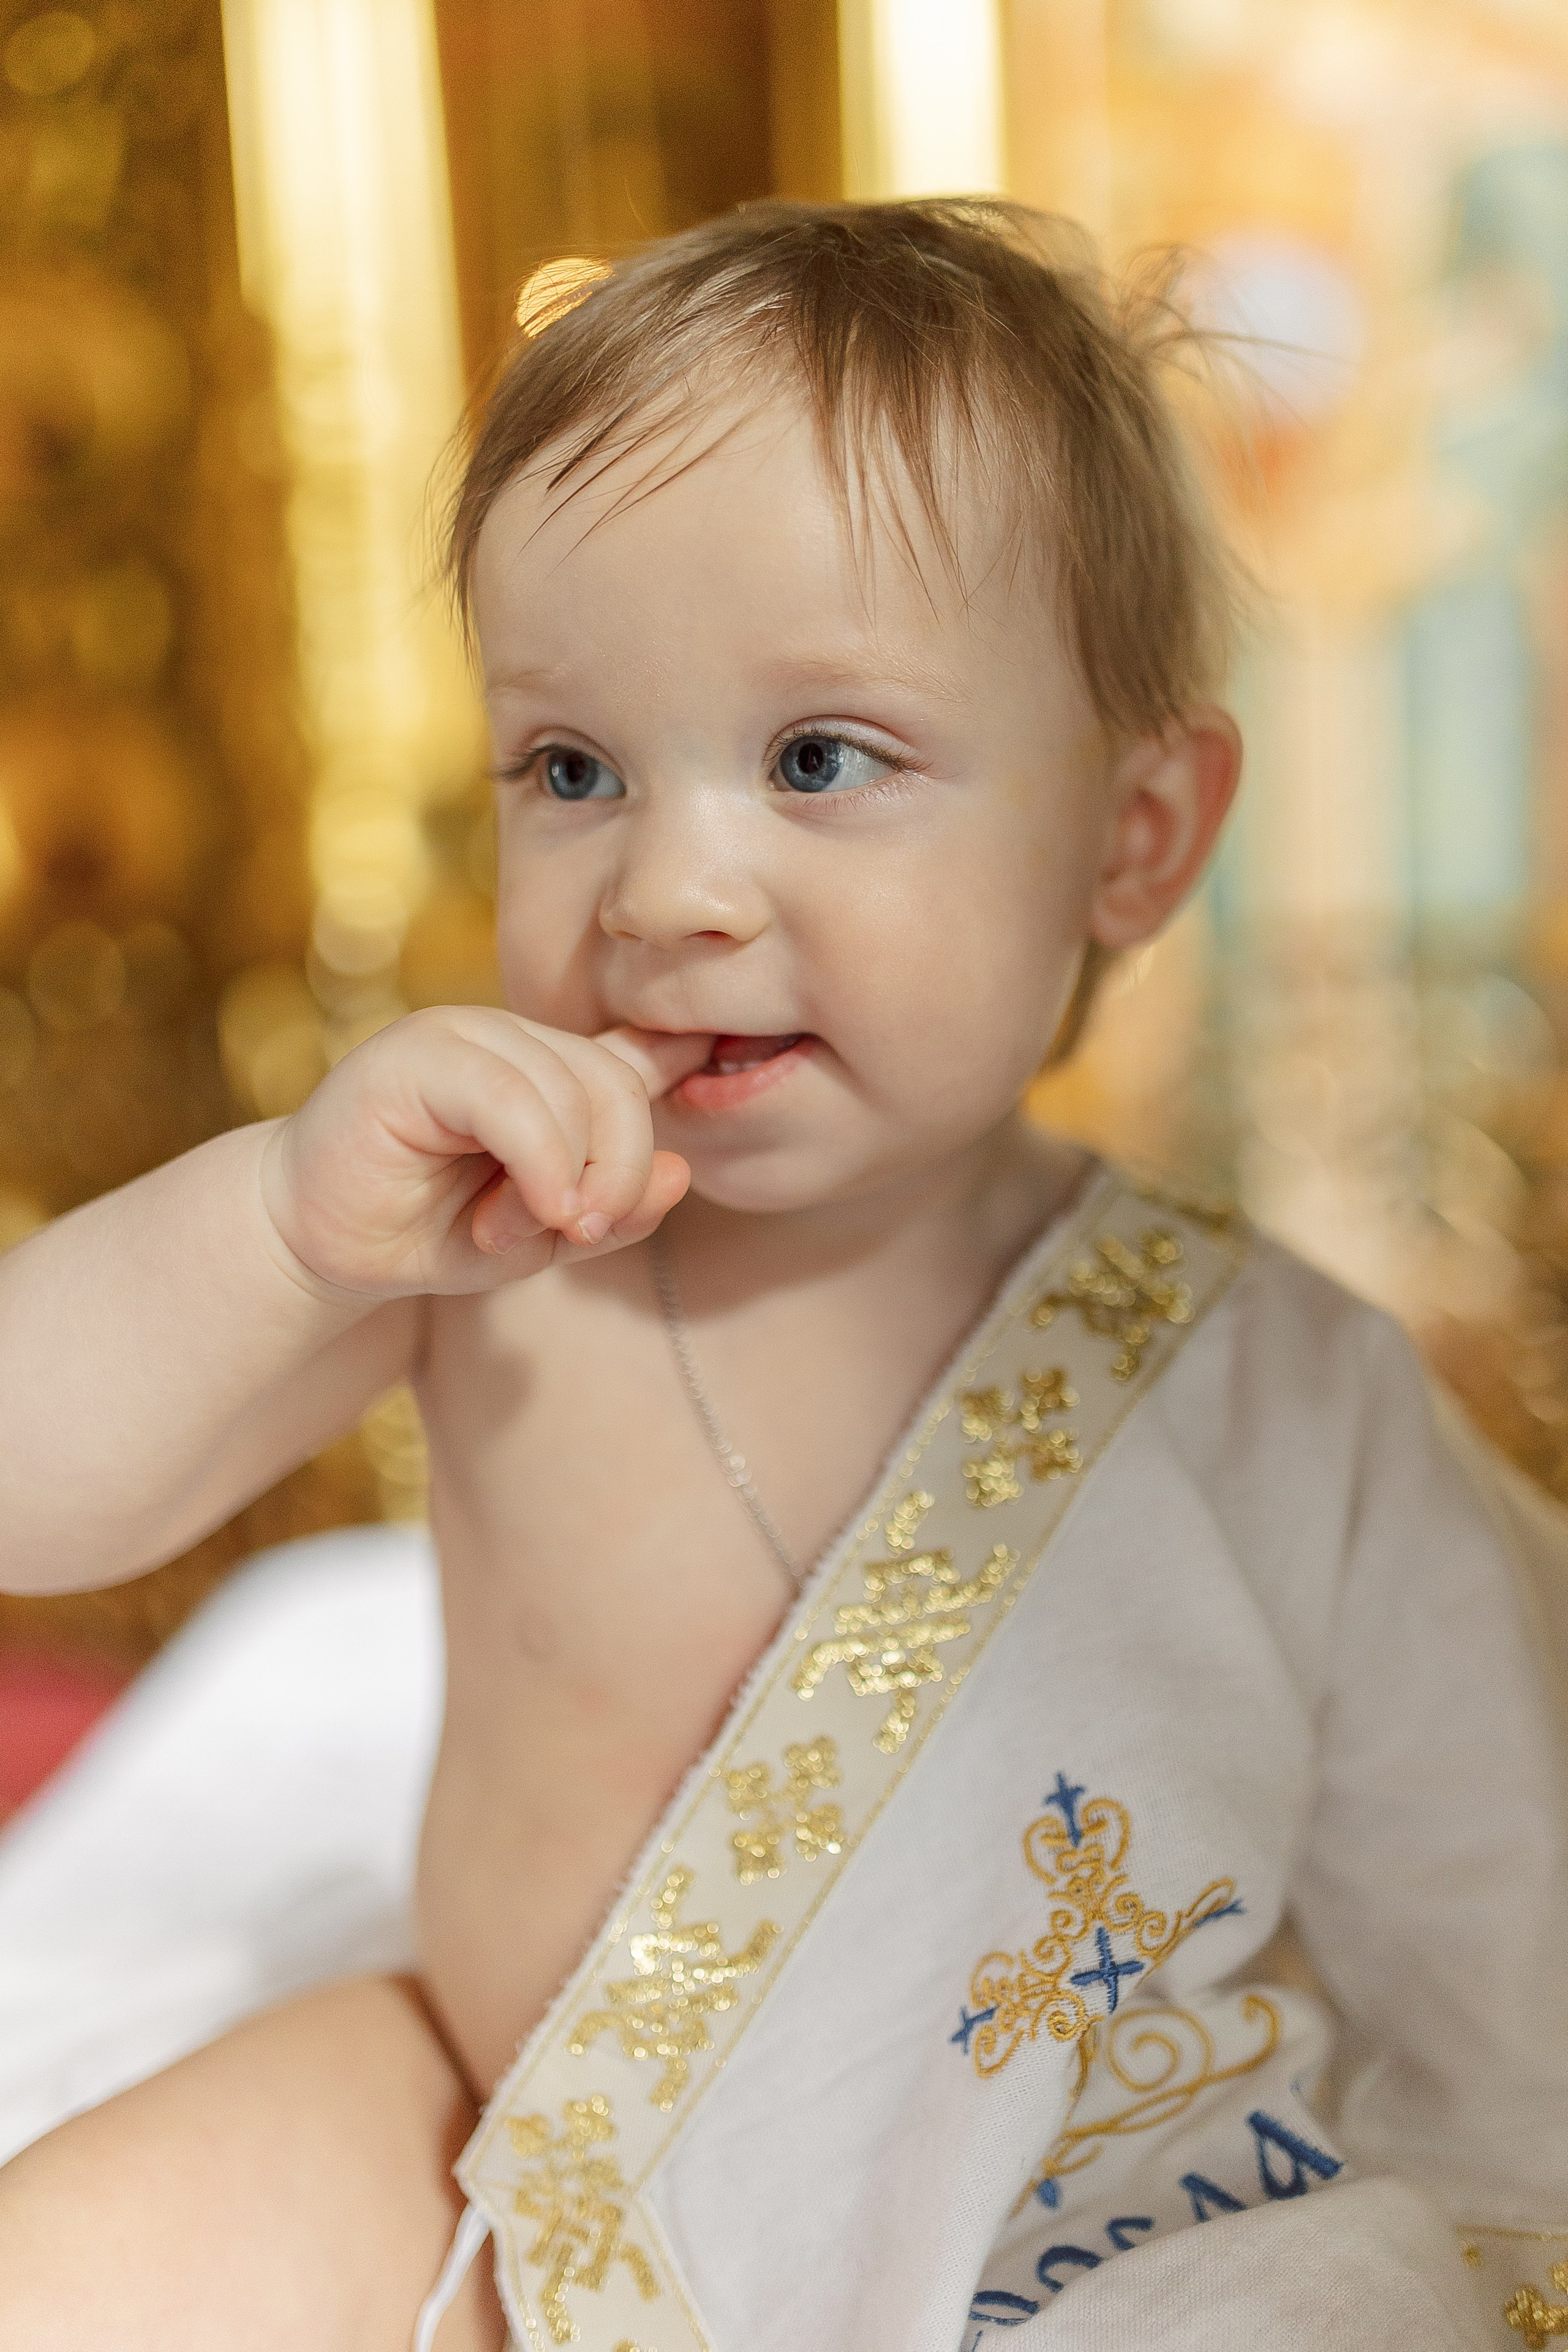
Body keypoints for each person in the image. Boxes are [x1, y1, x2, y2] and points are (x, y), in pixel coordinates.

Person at [0, 199, 1562, 2352]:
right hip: (510, 2147)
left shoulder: (1278, 1389)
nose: (668, 884)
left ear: (1135, 833)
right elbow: (32, 1486)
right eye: (572, 768)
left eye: (821, 760)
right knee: (92, 2258)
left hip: (1068, 2241)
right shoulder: (481, 1242)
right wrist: (276, 1229)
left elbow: (1499, 1936)